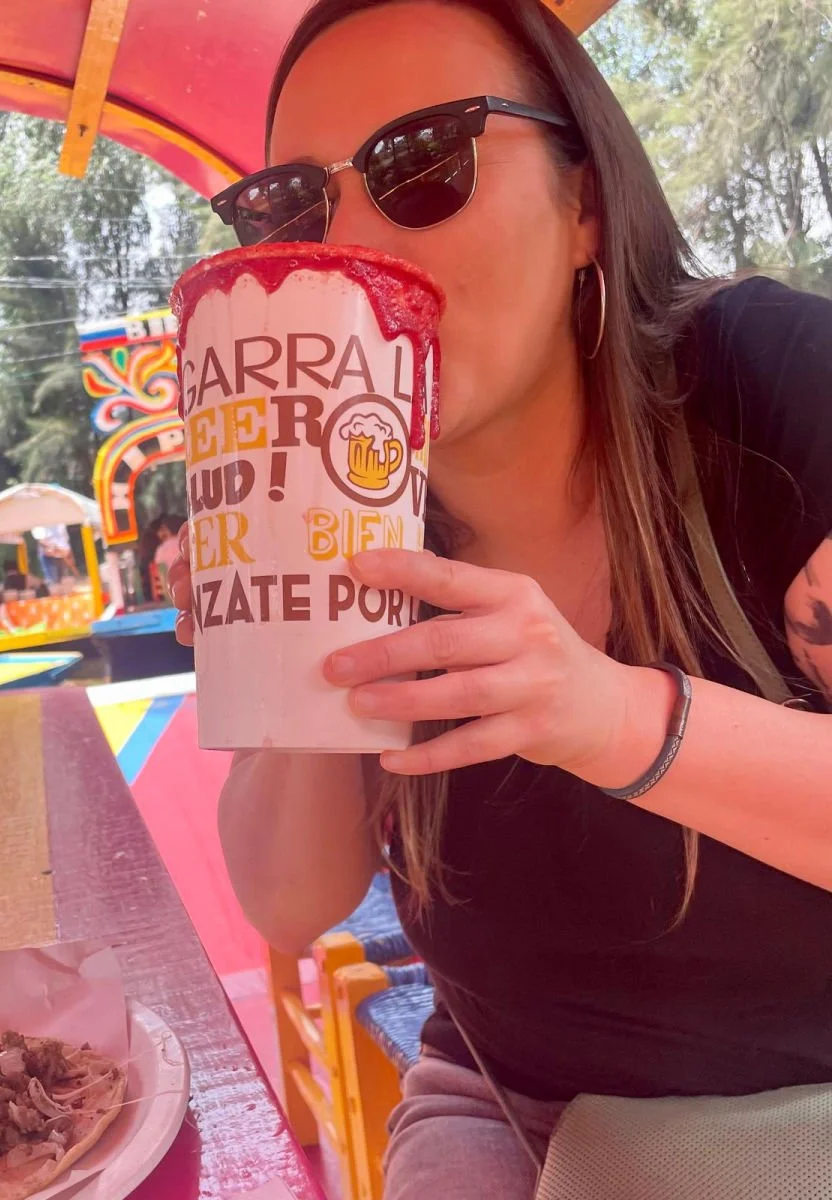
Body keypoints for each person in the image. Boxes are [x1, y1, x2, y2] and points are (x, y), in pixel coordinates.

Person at [168, 2, 832, 1197]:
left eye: (423, 164)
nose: (351, 251)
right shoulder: (351, 509)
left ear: (585, 206)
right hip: (500, 1103)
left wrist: (611, 715)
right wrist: (293, 620)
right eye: (297, 208)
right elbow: (285, 898)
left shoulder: (771, 381)